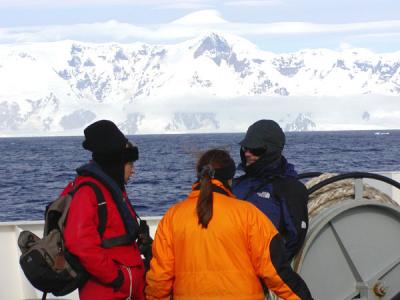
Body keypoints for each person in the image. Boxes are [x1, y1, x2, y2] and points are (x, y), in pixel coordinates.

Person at [145, 149, 313, 300]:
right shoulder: (248, 214)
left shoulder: (173, 217)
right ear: (230, 179)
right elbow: (277, 272)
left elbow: (159, 279)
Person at [63, 120, 145, 300]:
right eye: (130, 164)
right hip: (106, 291)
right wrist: (117, 278)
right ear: (116, 162)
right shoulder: (88, 192)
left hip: (126, 289)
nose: (133, 171)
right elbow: (79, 243)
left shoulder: (112, 189)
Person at [232, 120, 309, 261]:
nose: (248, 153)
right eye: (245, 148)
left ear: (271, 151)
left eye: (255, 149)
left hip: (255, 272)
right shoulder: (235, 185)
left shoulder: (289, 189)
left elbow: (292, 241)